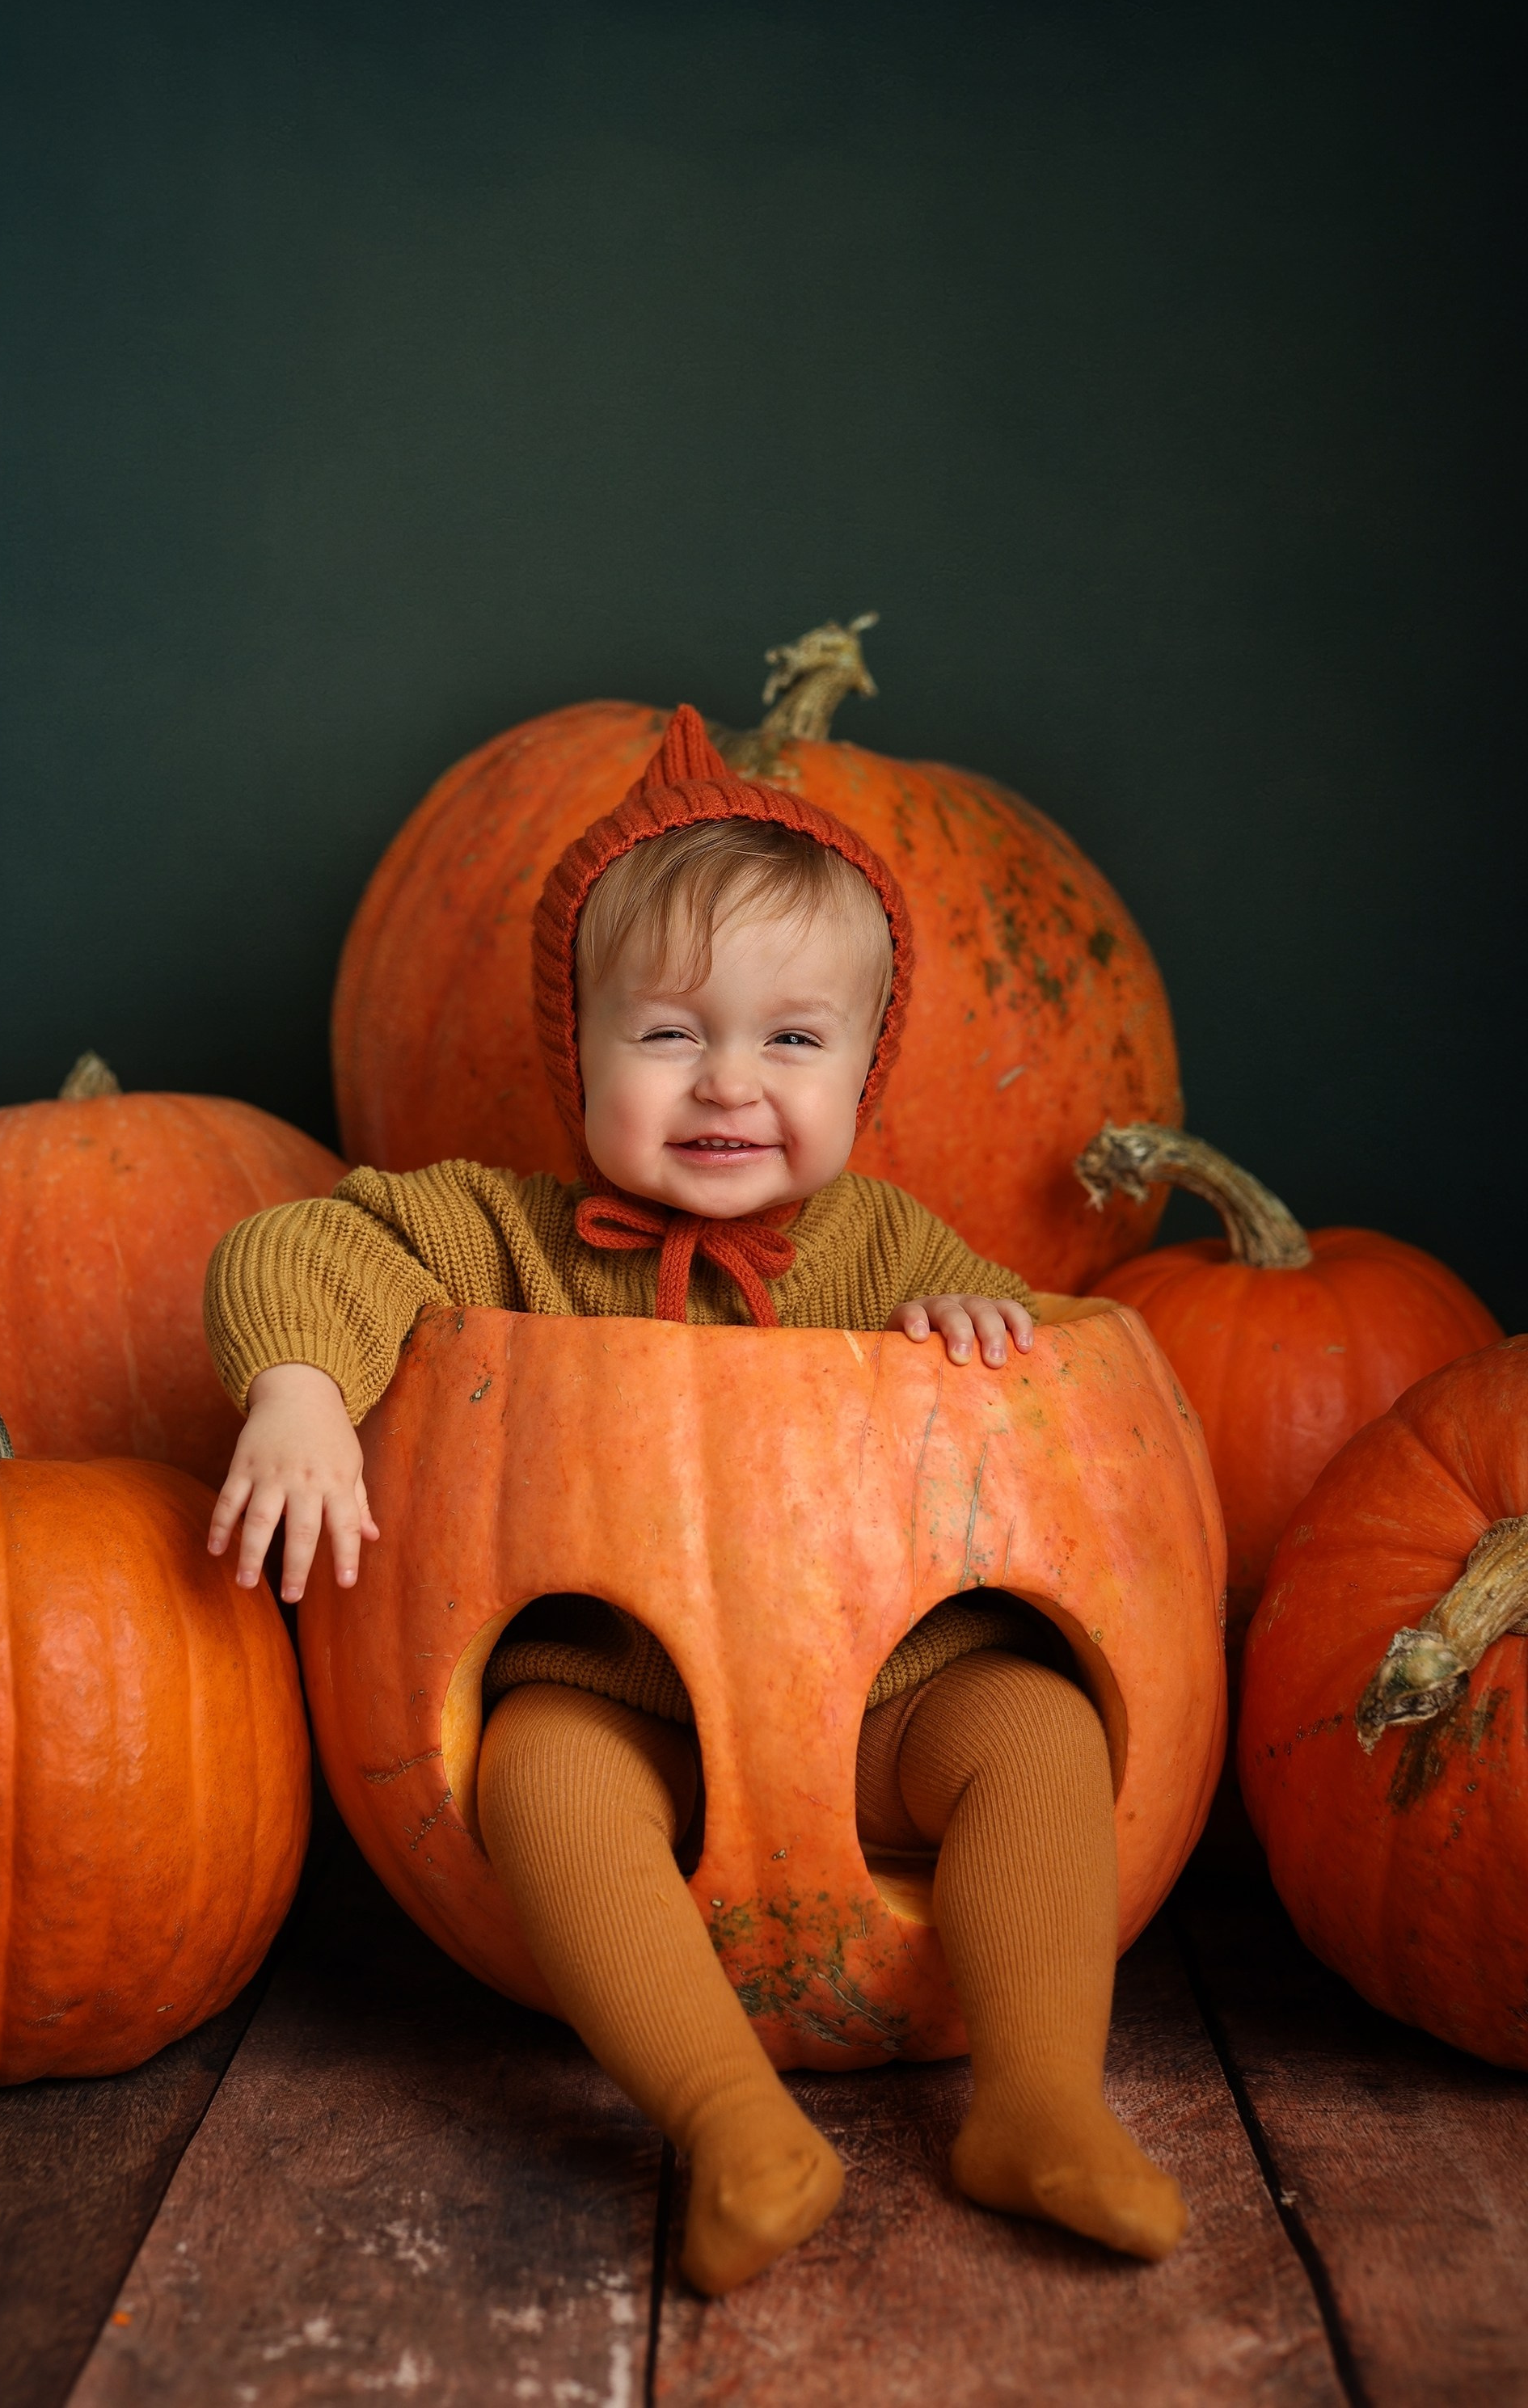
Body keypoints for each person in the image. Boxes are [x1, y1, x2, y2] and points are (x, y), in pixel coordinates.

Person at [205, 706, 1187, 2294]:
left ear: (864, 1067)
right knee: (537, 1779)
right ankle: (729, 2124)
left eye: (791, 1041)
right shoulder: (504, 1234)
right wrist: (302, 1389)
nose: (728, 1082)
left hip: (890, 1715)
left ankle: (1040, 2103)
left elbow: (1059, 1410)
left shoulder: (887, 1247)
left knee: (1043, 1735)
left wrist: (985, 1326)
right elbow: (307, 1244)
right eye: (668, 1035)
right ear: (577, 1050)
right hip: (628, 1709)